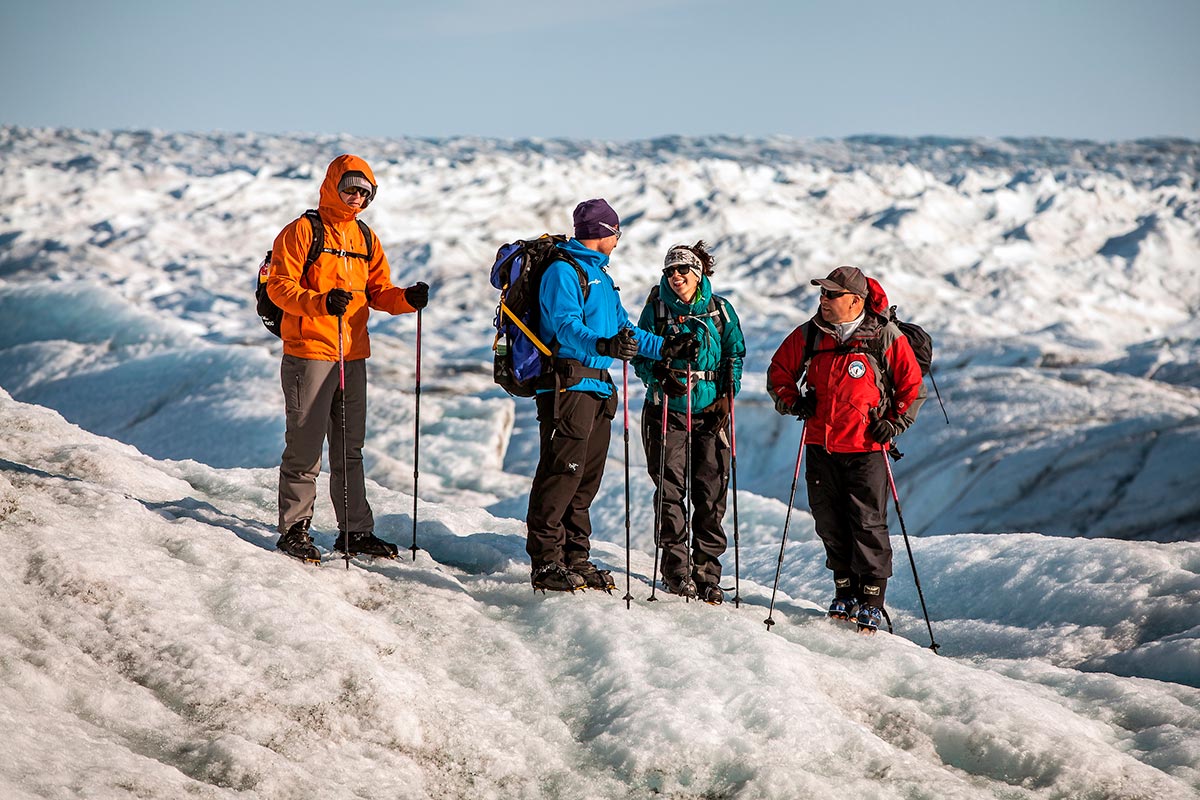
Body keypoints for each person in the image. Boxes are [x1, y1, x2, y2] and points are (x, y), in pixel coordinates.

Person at [526, 199, 698, 593]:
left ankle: (575, 556)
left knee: (585, 480)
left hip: (598, 389)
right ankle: (546, 561)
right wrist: (603, 344)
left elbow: (626, 332)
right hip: (568, 387)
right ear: (605, 232)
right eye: (616, 232)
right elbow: (565, 327)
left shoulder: (600, 278)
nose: (618, 239)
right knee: (561, 475)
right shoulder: (563, 271)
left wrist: (667, 348)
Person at [266, 154, 429, 563]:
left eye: (365, 192)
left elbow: (379, 292)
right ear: (333, 186)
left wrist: (406, 299)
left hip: (352, 355)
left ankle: (355, 531)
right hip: (309, 353)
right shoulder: (302, 231)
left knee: (348, 449)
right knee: (304, 448)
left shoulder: (366, 239)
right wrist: (320, 302)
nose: (357, 197)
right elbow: (279, 287)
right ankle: (295, 529)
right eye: (350, 188)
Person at [766, 266, 924, 631]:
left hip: (866, 447)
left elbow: (912, 385)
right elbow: (778, 372)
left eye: (831, 295)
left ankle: (871, 597)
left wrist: (894, 422)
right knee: (828, 520)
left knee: (867, 522)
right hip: (821, 444)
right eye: (822, 294)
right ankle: (844, 590)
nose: (823, 299)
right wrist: (793, 401)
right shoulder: (810, 334)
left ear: (856, 300)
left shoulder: (884, 336)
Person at [632, 242, 746, 604]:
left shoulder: (721, 311)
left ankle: (707, 573)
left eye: (683, 270)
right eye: (669, 271)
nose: (676, 276)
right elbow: (639, 353)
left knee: (710, 495)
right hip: (666, 410)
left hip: (711, 413)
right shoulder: (656, 311)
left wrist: (728, 396)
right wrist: (659, 374)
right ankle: (676, 571)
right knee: (670, 492)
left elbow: (735, 354)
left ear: (699, 273)